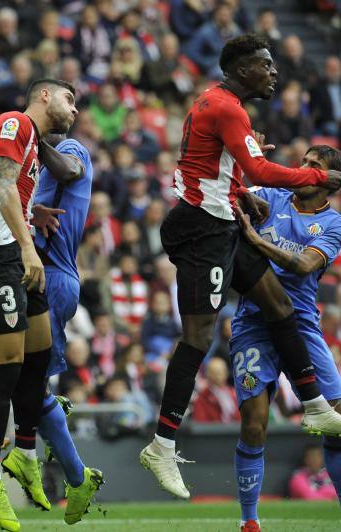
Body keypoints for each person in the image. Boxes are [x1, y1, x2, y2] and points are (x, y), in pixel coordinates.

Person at [140, 34, 341, 501]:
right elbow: (263, 174)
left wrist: (236, 188)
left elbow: (214, 167)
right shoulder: (228, 107)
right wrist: (319, 176)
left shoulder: (217, 102)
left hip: (222, 220)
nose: (273, 73)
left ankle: (313, 405)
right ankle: (162, 444)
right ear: (242, 68)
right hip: (202, 230)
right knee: (197, 338)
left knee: (277, 301)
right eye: (265, 65)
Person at [0, 134, 103, 527]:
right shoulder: (25, 167)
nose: (69, 112)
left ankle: (72, 474)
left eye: (70, 104)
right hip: (15, 269)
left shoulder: (67, 149)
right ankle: (43, 451)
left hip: (46, 275)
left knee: (13, 375)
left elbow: (69, 170)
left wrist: (37, 140)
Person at [229, 145, 341, 530]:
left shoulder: (333, 225)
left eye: (315, 166)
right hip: (254, 323)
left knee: (338, 421)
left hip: (302, 325)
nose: (304, 168)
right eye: (304, 162)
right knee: (254, 420)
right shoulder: (271, 195)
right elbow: (231, 198)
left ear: (329, 181)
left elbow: (304, 264)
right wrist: (239, 159)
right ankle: (250, 522)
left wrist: (257, 243)